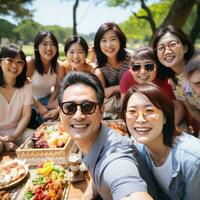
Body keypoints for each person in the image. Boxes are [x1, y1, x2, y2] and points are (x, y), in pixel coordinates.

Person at [57, 71, 161, 200]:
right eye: (69, 107)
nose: (78, 116)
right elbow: (97, 173)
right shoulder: (90, 139)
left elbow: (128, 185)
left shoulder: (116, 157)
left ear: (101, 111)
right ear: (60, 112)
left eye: (87, 107)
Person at [122, 82, 200, 200]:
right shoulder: (137, 145)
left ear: (165, 117)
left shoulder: (192, 159)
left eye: (149, 111)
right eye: (132, 112)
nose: (140, 120)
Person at [152, 24, 199, 134]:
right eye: (161, 48)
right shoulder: (174, 82)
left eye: (172, 44)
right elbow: (192, 109)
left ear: (185, 47)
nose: (167, 51)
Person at [0, 45, 34, 152]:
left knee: (36, 139)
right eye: (10, 60)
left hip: (17, 131)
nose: (15, 65)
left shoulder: (26, 84)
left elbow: (26, 115)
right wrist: (4, 142)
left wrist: (14, 136)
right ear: (0, 62)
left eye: (20, 62)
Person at [94, 22, 132, 117]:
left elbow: (139, 83)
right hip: (112, 100)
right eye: (104, 40)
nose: (109, 45)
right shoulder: (100, 63)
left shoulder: (131, 58)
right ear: (98, 44)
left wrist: (114, 88)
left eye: (113, 39)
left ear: (120, 40)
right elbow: (102, 93)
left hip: (131, 94)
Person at [26, 30, 64, 125]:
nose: (49, 48)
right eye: (44, 44)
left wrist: (51, 101)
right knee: (44, 118)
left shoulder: (58, 66)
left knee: (61, 113)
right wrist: (40, 107)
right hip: (29, 99)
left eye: (52, 44)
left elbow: (58, 87)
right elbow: (24, 88)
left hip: (47, 98)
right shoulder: (30, 62)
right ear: (37, 46)